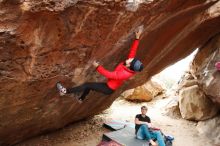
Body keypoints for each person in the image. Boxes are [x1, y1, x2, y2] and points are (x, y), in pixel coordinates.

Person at [56, 27, 144, 103]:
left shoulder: (125, 74)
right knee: (89, 86)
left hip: (108, 89)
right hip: (109, 85)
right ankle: (81, 99)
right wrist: (137, 38)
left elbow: (109, 74)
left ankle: (65, 91)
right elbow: (133, 51)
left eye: (130, 61)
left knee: (87, 85)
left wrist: (97, 67)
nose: (129, 59)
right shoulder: (130, 65)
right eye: (131, 59)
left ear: (129, 66)